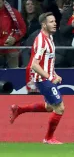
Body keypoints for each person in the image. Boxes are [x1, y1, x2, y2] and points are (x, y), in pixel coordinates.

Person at [9, 12, 64, 144]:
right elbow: (34, 65)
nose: (55, 23)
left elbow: (48, 60)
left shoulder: (49, 38)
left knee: (50, 107)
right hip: (42, 79)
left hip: (45, 77)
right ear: (44, 25)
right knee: (60, 107)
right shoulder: (41, 41)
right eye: (51, 21)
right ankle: (48, 138)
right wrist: (51, 77)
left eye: (55, 21)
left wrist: (54, 73)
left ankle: (20, 109)